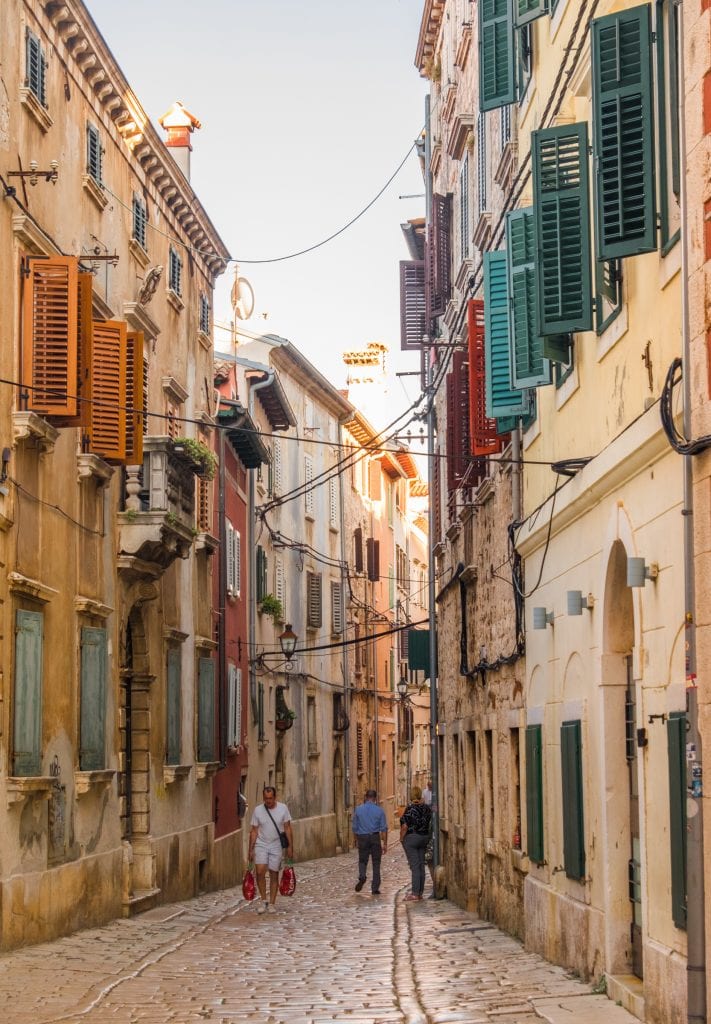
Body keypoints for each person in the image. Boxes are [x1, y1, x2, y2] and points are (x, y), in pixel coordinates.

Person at [248, 786, 293, 914]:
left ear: (275, 797)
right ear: (263, 798)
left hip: (276, 844)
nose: (268, 801)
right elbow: (254, 831)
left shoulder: (283, 809)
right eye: (266, 799)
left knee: (274, 873)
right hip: (261, 843)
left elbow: (288, 828)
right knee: (260, 871)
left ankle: (272, 903)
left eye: (270, 798)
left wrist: (290, 847)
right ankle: (263, 900)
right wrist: (251, 850)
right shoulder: (258, 810)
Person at [352, 789, 388, 895]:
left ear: (366, 797)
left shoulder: (358, 810)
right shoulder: (380, 811)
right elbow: (384, 829)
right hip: (375, 837)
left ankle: (362, 876)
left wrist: (356, 840)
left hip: (362, 837)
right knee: (376, 863)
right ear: (375, 798)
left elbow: (354, 827)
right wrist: (385, 843)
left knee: (362, 860)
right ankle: (375, 888)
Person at [399, 785, 432, 901]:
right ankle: (420, 892)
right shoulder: (427, 808)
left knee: (415, 866)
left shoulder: (410, 808)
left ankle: (414, 893)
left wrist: (401, 838)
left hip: (412, 839)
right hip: (424, 838)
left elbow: (404, 826)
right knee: (421, 865)